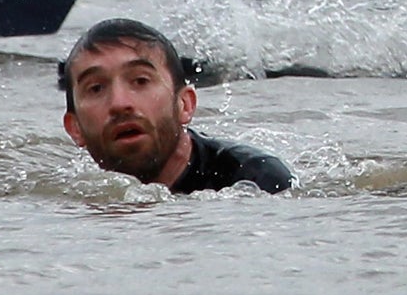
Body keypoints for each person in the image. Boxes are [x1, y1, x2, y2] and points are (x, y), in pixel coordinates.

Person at [60, 18, 294, 194]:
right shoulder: (73, 201)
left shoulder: (256, 181)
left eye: (140, 81)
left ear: (185, 105)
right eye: (96, 88)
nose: (120, 104)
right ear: (75, 128)